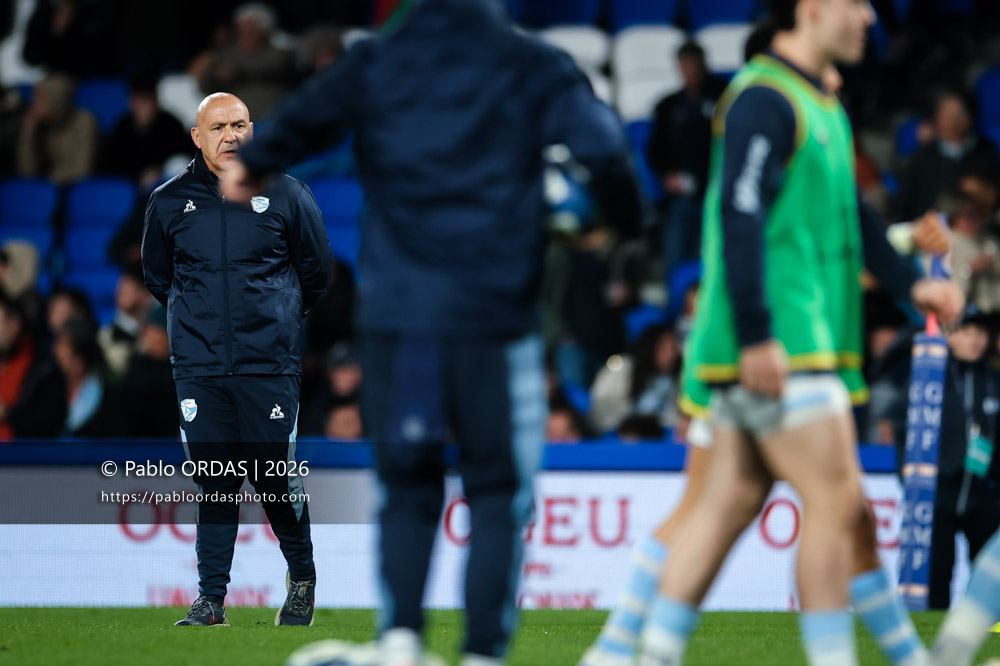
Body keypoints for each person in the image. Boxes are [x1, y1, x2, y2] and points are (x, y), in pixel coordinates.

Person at [223, 1, 643, 664]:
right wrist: (619, 220)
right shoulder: (529, 62)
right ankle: (481, 654)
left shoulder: (377, 61)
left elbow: (295, 124)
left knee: (408, 489)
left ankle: (401, 643)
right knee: (498, 495)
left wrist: (252, 165)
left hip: (399, 321)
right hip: (494, 321)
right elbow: (605, 149)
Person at [628, 0, 963, 664]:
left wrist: (909, 284)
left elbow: (851, 218)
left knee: (728, 509)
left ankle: (637, 654)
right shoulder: (765, 99)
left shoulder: (818, 104)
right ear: (811, 8)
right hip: (784, 339)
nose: (870, 16)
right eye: (855, 3)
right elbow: (739, 211)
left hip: (800, 340)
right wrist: (756, 333)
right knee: (834, 508)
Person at [141, 92, 332, 628]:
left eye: (241, 124)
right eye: (219, 126)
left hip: (268, 365)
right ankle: (211, 601)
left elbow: (317, 275)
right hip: (200, 369)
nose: (232, 135)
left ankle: (301, 580)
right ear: (197, 137)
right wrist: (198, 325)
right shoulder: (167, 202)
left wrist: (278, 319)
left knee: (274, 478)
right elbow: (160, 278)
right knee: (216, 479)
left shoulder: (289, 194)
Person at [647, 41, 726, 280]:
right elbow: (656, 151)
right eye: (685, 67)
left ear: (704, 64)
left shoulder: (725, 98)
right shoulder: (668, 106)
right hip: (684, 195)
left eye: (694, 66)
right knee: (676, 252)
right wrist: (667, 175)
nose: (690, 72)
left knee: (718, 255)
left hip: (719, 189)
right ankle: (677, 304)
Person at [898, 91, 1000, 222]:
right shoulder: (923, 155)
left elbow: (993, 200)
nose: (949, 120)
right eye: (944, 113)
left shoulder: (986, 152)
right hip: (927, 231)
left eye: (956, 113)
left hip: (972, 232)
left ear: (969, 118)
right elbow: (905, 204)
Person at [197, 4, 300, 119]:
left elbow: (276, 67)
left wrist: (238, 72)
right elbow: (204, 87)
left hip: (271, 117)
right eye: (242, 27)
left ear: (264, 30)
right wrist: (215, 74)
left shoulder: (278, 53)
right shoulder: (225, 55)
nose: (245, 32)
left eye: (251, 28)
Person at [101, 78, 192, 188]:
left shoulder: (171, 125)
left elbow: (184, 158)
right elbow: (110, 164)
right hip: (129, 187)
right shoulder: (122, 127)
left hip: (166, 186)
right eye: (136, 103)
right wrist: (137, 177)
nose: (141, 108)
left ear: (155, 103)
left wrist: (160, 171)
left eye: (145, 102)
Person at [16, 75, 98, 185]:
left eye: (40, 99)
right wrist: (28, 134)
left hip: (78, 190)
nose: (33, 105)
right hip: (48, 190)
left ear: (56, 99)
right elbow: (27, 173)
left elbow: (83, 169)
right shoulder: (39, 125)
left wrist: (49, 179)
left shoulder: (85, 121)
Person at [119, 304, 179, 439]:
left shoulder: (180, 372)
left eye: (156, 330)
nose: (149, 336)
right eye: (148, 329)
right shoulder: (136, 365)